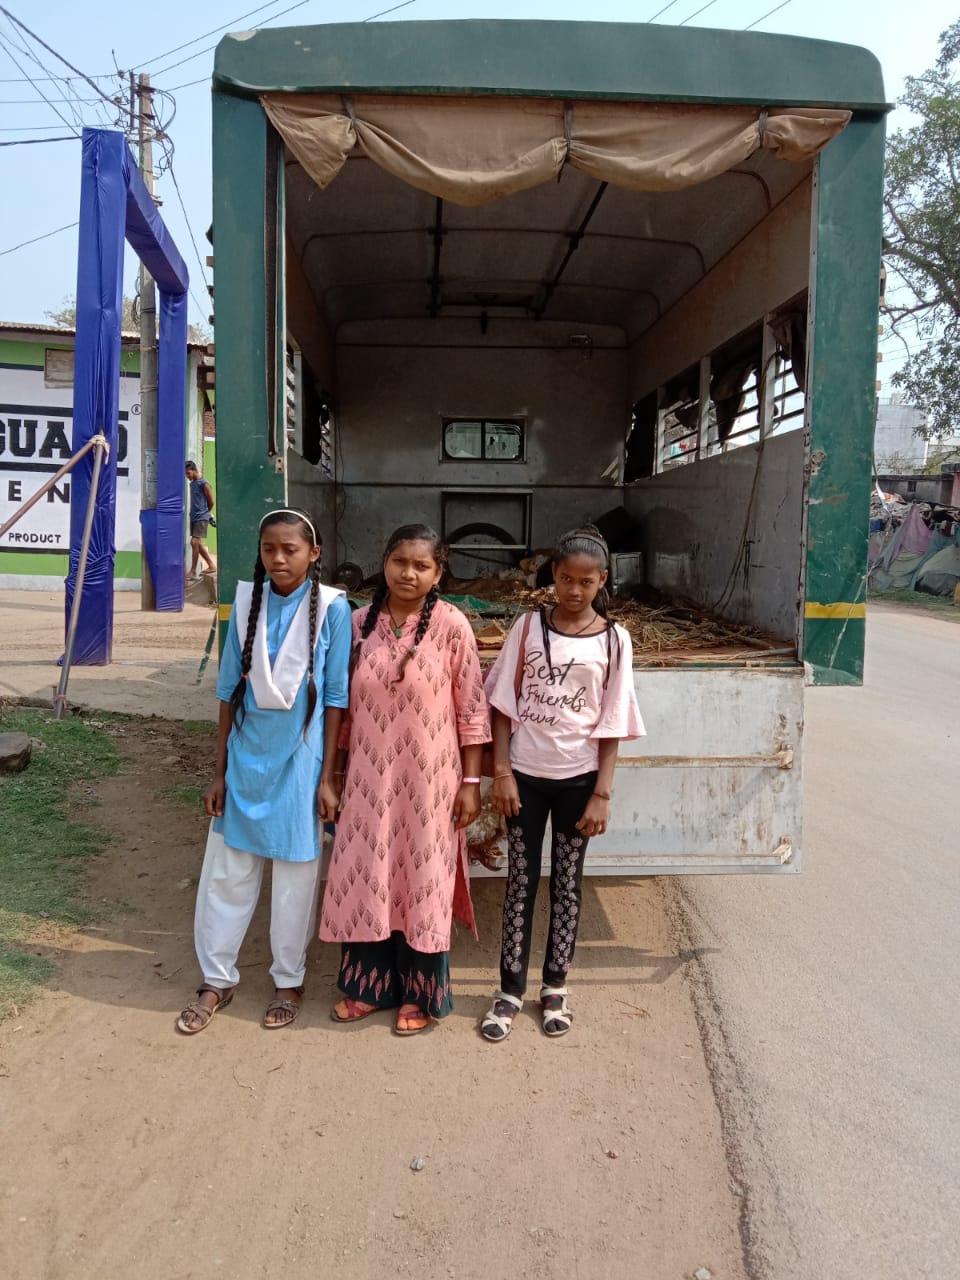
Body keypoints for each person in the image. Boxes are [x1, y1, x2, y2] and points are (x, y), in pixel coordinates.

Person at [177, 509, 351, 1035]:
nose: (278, 558)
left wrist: (328, 778)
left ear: (313, 554)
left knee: (297, 878)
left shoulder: (333, 609)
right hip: (246, 759)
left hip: (301, 762)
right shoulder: (248, 600)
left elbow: (337, 697)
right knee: (227, 874)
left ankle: (288, 980)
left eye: (290, 549)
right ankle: (216, 978)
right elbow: (229, 689)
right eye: (269, 549)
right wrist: (219, 771)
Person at [319, 524, 490, 1035]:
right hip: (369, 781)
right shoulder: (355, 625)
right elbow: (340, 710)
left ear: (439, 574)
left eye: (421, 565)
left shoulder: (453, 626)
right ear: (384, 562)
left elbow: (473, 710)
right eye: (399, 561)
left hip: (431, 783)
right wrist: (332, 777)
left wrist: (471, 784)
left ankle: (421, 992)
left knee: (422, 880)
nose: (408, 573)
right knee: (369, 873)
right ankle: (369, 987)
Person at [480, 526, 645, 1042]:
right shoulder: (527, 629)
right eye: (566, 579)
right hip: (524, 779)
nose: (574, 591)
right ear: (553, 575)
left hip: (579, 782)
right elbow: (503, 705)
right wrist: (502, 773)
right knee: (520, 884)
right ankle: (509, 991)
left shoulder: (616, 640)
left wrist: (602, 793)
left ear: (602, 582)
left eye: (587, 582)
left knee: (568, 884)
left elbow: (613, 721)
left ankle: (555, 988)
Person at [185, 460, 216, 582]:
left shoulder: (204, 484)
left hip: (202, 517)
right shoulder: (192, 484)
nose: (187, 476)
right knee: (197, 543)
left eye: (188, 473)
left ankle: (193, 571)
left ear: (194, 470)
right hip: (193, 517)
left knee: (194, 542)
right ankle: (211, 565)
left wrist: (206, 513)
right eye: (186, 474)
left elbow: (211, 501)